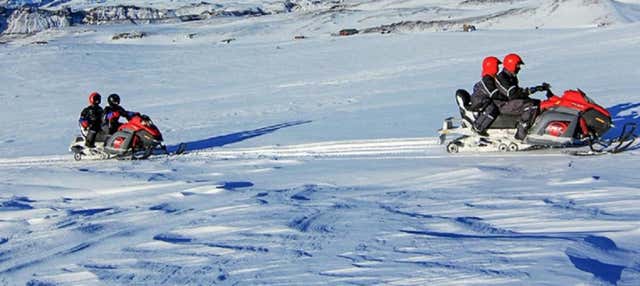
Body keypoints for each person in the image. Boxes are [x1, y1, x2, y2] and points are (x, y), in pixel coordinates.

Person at [494, 53, 550, 140]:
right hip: (502, 104)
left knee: (537, 103)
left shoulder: (511, 77)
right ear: (511, 65)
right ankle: (522, 132)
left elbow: (517, 94)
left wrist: (536, 90)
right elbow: (512, 93)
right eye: (517, 65)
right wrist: (532, 90)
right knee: (531, 106)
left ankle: (537, 128)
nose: (519, 68)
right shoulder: (502, 78)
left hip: (509, 102)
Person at [469, 56, 502, 135]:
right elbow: (493, 93)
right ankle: (478, 127)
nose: (498, 68)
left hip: (483, 99)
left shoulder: (492, 77)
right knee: (491, 108)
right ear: (492, 66)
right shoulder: (487, 79)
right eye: (496, 66)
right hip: (479, 99)